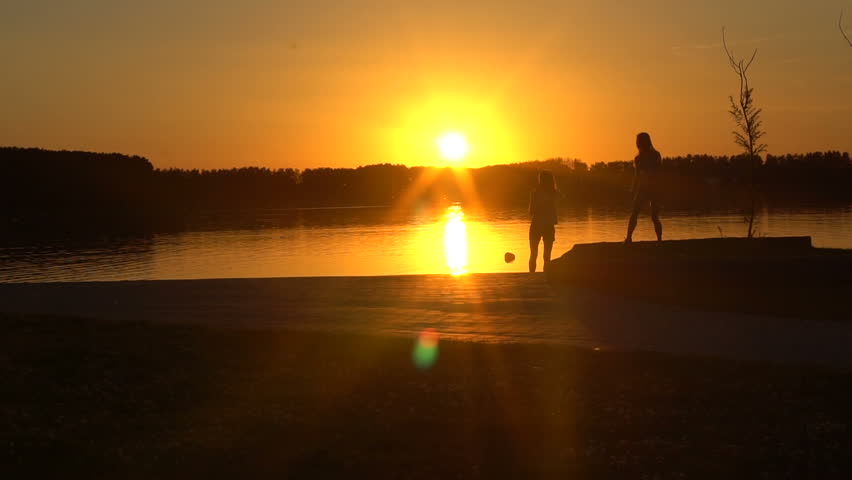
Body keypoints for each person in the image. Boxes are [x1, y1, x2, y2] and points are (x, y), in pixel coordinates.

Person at [625, 132, 663, 243]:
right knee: (635, 213)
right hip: (644, 189)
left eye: (638, 141)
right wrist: (633, 189)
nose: (636, 144)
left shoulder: (655, 155)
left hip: (654, 189)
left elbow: (658, 173)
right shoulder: (638, 158)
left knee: (654, 216)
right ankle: (628, 238)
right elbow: (637, 176)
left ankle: (659, 240)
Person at [528, 170, 558, 272]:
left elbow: (531, 211)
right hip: (548, 226)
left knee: (533, 254)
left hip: (536, 225)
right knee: (547, 256)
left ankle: (532, 276)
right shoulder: (554, 194)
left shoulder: (535, 193)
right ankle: (546, 278)